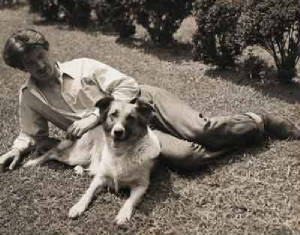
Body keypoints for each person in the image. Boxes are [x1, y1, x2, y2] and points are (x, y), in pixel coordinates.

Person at [0, 29, 299, 171]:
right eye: (29, 62)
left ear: (48, 50)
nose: (39, 65)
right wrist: (17, 150)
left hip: (146, 101)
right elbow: (32, 133)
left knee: (201, 131)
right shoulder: (30, 97)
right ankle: (246, 136)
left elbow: (127, 85)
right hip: (128, 133)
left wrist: (94, 116)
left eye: (40, 55)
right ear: (21, 68)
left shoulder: (82, 67)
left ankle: (261, 121)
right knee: (188, 158)